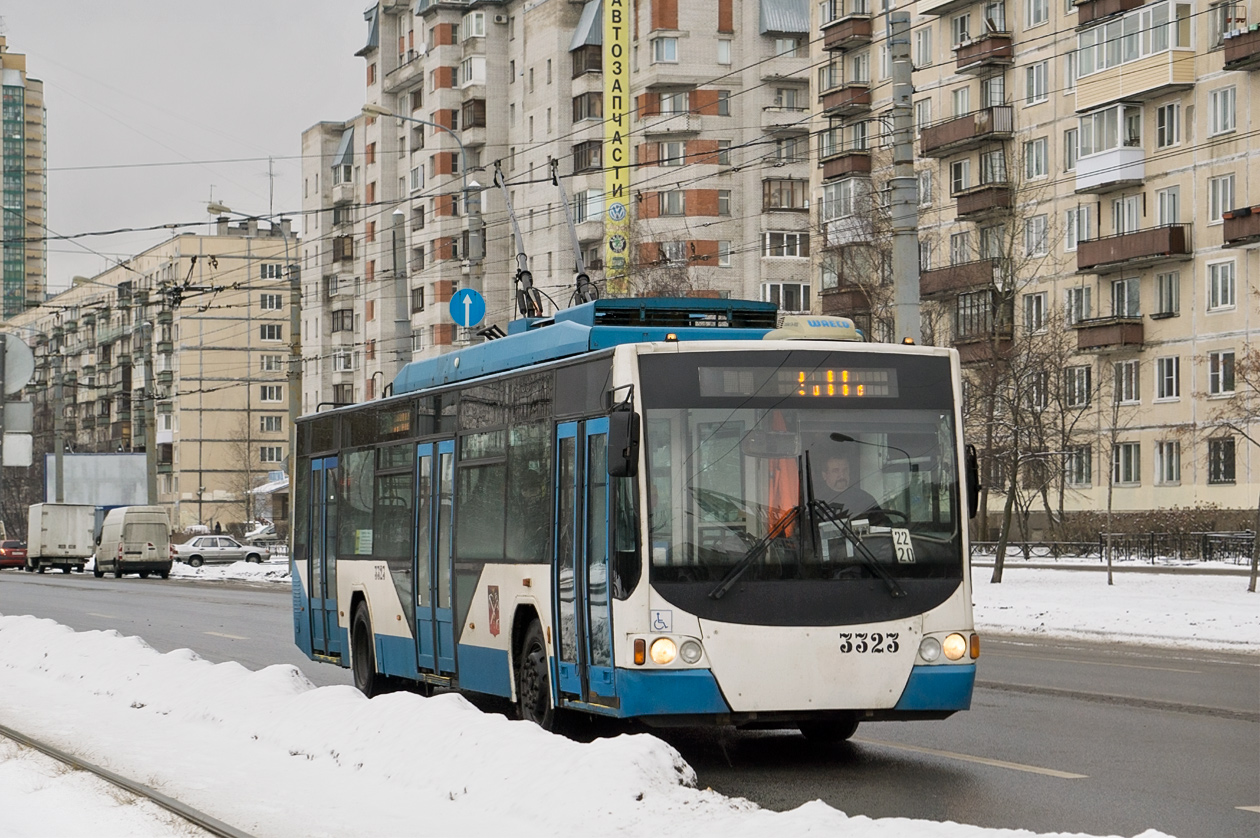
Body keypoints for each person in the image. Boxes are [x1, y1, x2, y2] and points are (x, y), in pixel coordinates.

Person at [819, 455, 881, 521]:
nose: (842, 475)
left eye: (845, 470)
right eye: (836, 471)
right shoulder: (818, 501)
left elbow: (884, 525)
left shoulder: (864, 498)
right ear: (824, 475)